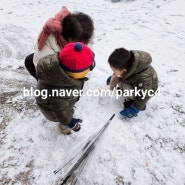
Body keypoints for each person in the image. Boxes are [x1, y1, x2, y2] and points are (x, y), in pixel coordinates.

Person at [36, 42, 95, 135]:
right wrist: (70, 122)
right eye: (90, 67)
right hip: (52, 110)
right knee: (66, 117)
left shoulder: (55, 64)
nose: (91, 67)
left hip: (52, 100)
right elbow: (60, 111)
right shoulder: (60, 91)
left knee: (64, 107)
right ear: (77, 74)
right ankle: (64, 128)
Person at [25, 6, 94, 80]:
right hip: (56, 74)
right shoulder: (49, 39)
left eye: (85, 42)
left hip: (73, 71)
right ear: (68, 37)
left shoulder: (84, 32)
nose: (82, 46)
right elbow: (41, 67)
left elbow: (89, 56)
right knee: (29, 61)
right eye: (79, 42)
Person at [107, 48, 158, 118]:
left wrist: (134, 108)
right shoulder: (127, 65)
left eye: (114, 71)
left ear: (124, 71)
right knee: (118, 77)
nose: (114, 73)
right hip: (135, 81)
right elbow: (119, 75)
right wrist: (112, 78)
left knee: (123, 83)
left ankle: (135, 103)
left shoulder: (143, 78)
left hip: (146, 90)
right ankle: (124, 90)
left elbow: (144, 95)